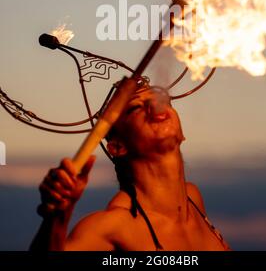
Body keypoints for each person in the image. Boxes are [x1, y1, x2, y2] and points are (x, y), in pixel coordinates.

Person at [30, 86, 230, 251]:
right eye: (135, 108)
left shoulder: (192, 198)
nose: (155, 105)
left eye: (162, 99)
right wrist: (57, 217)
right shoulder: (110, 227)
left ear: (182, 133)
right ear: (117, 147)